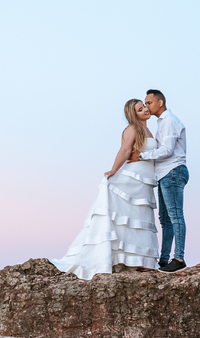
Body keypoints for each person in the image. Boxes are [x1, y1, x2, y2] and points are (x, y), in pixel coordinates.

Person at [50, 99, 160, 280]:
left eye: (145, 107)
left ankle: (141, 261)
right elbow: (125, 150)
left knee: (138, 218)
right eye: (140, 110)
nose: (145, 110)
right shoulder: (132, 129)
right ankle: (120, 259)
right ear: (134, 114)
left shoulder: (148, 130)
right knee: (126, 217)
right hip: (131, 178)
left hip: (144, 181)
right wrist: (114, 170)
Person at [139, 89, 188, 273]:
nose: (147, 106)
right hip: (165, 174)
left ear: (160, 103)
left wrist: (142, 156)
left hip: (173, 171)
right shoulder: (162, 122)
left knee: (175, 216)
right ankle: (164, 259)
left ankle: (179, 258)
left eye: (149, 103)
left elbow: (167, 150)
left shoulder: (169, 121)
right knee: (165, 219)